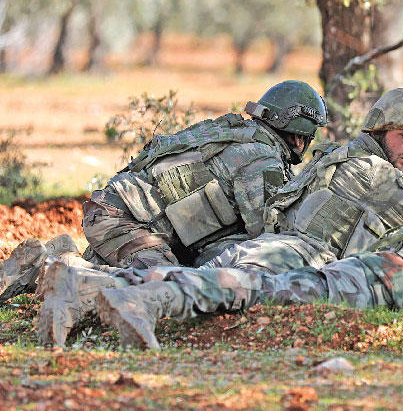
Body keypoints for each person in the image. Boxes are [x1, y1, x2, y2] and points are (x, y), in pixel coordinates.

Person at [35, 87, 403, 346]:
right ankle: (82, 287)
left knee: (183, 277)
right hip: (146, 227)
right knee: (172, 283)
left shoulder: (314, 154)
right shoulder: (263, 158)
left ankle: (60, 269)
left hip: (126, 216)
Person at [92, 156, 403, 349]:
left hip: (362, 272)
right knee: (257, 292)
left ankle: (104, 287)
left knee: (261, 288)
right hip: (380, 292)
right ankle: (149, 297)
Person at [0, 80, 327, 305]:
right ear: (301, 134)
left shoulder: (234, 132)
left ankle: (62, 259)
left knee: (131, 275)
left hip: (124, 218)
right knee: (164, 287)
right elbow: (270, 236)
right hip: (127, 224)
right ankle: (41, 267)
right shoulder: (260, 158)